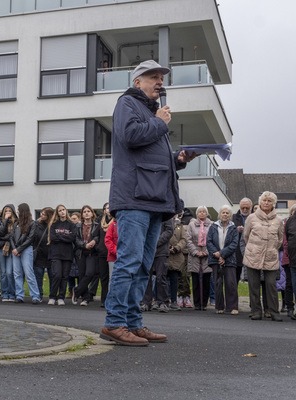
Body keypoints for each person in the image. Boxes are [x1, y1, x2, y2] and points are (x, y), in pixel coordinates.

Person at [100, 60, 196, 346]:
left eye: (161, 78)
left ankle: (132, 322)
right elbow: (130, 137)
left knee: (143, 265)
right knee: (129, 262)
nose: (160, 82)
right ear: (137, 81)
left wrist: (177, 159)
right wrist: (160, 123)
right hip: (134, 198)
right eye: (153, 77)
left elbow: (148, 156)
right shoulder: (127, 104)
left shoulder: (150, 112)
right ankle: (114, 323)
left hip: (153, 200)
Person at [243, 191, 284, 321]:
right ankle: (256, 311)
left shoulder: (278, 220)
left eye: (269, 201)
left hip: (270, 256)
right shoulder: (251, 218)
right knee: (253, 285)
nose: (266, 203)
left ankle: (273, 311)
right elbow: (246, 236)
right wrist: (255, 248)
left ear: (273, 203)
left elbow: (280, 239)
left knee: (271, 284)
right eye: (264, 200)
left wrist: (271, 249)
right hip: (253, 255)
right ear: (260, 202)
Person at [207, 205, 240, 315]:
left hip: (229, 259)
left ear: (230, 215)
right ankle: (219, 306)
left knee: (231, 283)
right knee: (218, 283)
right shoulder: (213, 227)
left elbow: (234, 244)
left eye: (227, 213)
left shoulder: (233, 228)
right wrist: (217, 254)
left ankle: (232, 307)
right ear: (219, 214)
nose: (225, 214)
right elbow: (209, 242)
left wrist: (222, 254)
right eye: (223, 212)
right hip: (215, 258)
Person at [10, 203, 41, 304]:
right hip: (16, 250)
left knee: (29, 273)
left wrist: (19, 249)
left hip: (26, 249)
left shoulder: (32, 223)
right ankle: (19, 295)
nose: (17, 212)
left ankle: (35, 296)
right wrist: (15, 248)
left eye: (19, 210)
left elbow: (30, 238)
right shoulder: (16, 223)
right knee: (17, 274)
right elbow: (11, 237)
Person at [47, 204, 76, 306]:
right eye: (60, 210)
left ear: (66, 211)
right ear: (57, 213)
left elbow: (72, 237)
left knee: (64, 276)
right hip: (56, 254)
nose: (62, 212)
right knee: (57, 275)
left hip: (67, 255)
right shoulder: (54, 224)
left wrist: (60, 236)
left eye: (63, 209)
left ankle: (61, 297)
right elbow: (53, 238)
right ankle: (52, 296)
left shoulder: (71, 224)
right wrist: (65, 236)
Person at [185, 206, 212, 310]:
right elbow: (188, 239)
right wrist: (196, 252)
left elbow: (213, 239)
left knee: (206, 280)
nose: (202, 213)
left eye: (204, 212)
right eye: (200, 212)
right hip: (194, 255)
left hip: (207, 253)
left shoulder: (211, 225)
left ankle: (204, 303)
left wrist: (206, 251)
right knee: (195, 279)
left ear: (207, 213)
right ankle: (196, 303)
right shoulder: (191, 225)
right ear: (197, 214)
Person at [72, 205, 100, 306]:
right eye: (84, 212)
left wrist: (94, 241)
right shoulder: (78, 226)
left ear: (92, 213)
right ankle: (85, 298)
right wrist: (84, 245)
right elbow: (75, 239)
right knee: (82, 275)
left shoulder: (97, 225)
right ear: (82, 215)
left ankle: (77, 290)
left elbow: (98, 236)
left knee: (90, 273)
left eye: (88, 211)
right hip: (81, 252)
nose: (86, 213)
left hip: (92, 253)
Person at [0, 204, 17, 302]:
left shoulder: (16, 222)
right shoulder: (0, 221)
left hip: (11, 248)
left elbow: (12, 235)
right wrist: (5, 221)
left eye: (9, 210)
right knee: (3, 272)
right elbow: (0, 233)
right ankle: (5, 293)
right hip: (1, 249)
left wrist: (5, 237)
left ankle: (12, 293)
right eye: (6, 210)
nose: (8, 212)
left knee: (9, 272)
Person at [166, 214, 187, 311]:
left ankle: (174, 301)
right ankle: (162, 300)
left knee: (174, 278)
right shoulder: (163, 221)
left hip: (176, 256)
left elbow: (184, 239)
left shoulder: (180, 226)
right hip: (164, 254)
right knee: (162, 279)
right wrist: (167, 247)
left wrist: (177, 247)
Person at [33, 207, 54, 301]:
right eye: (41, 213)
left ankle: (52, 295)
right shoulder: (36, 224)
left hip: (51, 254)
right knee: (38, 276)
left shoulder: (53, 225)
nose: (41, 215)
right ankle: (39, 295)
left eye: (44, 214)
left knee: (52, 276)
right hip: (39, 254)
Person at [95, 202, 113, 307]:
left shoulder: (116, 221)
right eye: (107, 208)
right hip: (102, 252)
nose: (109, 210)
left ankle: (110, 299)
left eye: (110, 208)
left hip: (112, 253)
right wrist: (98, 247)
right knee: (104, 277)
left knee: (112, 277)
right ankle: (104, 299)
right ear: (104, 210)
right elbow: (96, 236)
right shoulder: (100, 222)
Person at [232, 198, 252, 282]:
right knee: (235, 278)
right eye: (243, 207)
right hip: (237, 251)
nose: (245, 209)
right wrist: (236, 229)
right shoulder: (233, 217)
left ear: (250, 207)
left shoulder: (255, 217)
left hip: (252, 250)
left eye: (247, 208)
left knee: (253, 279)